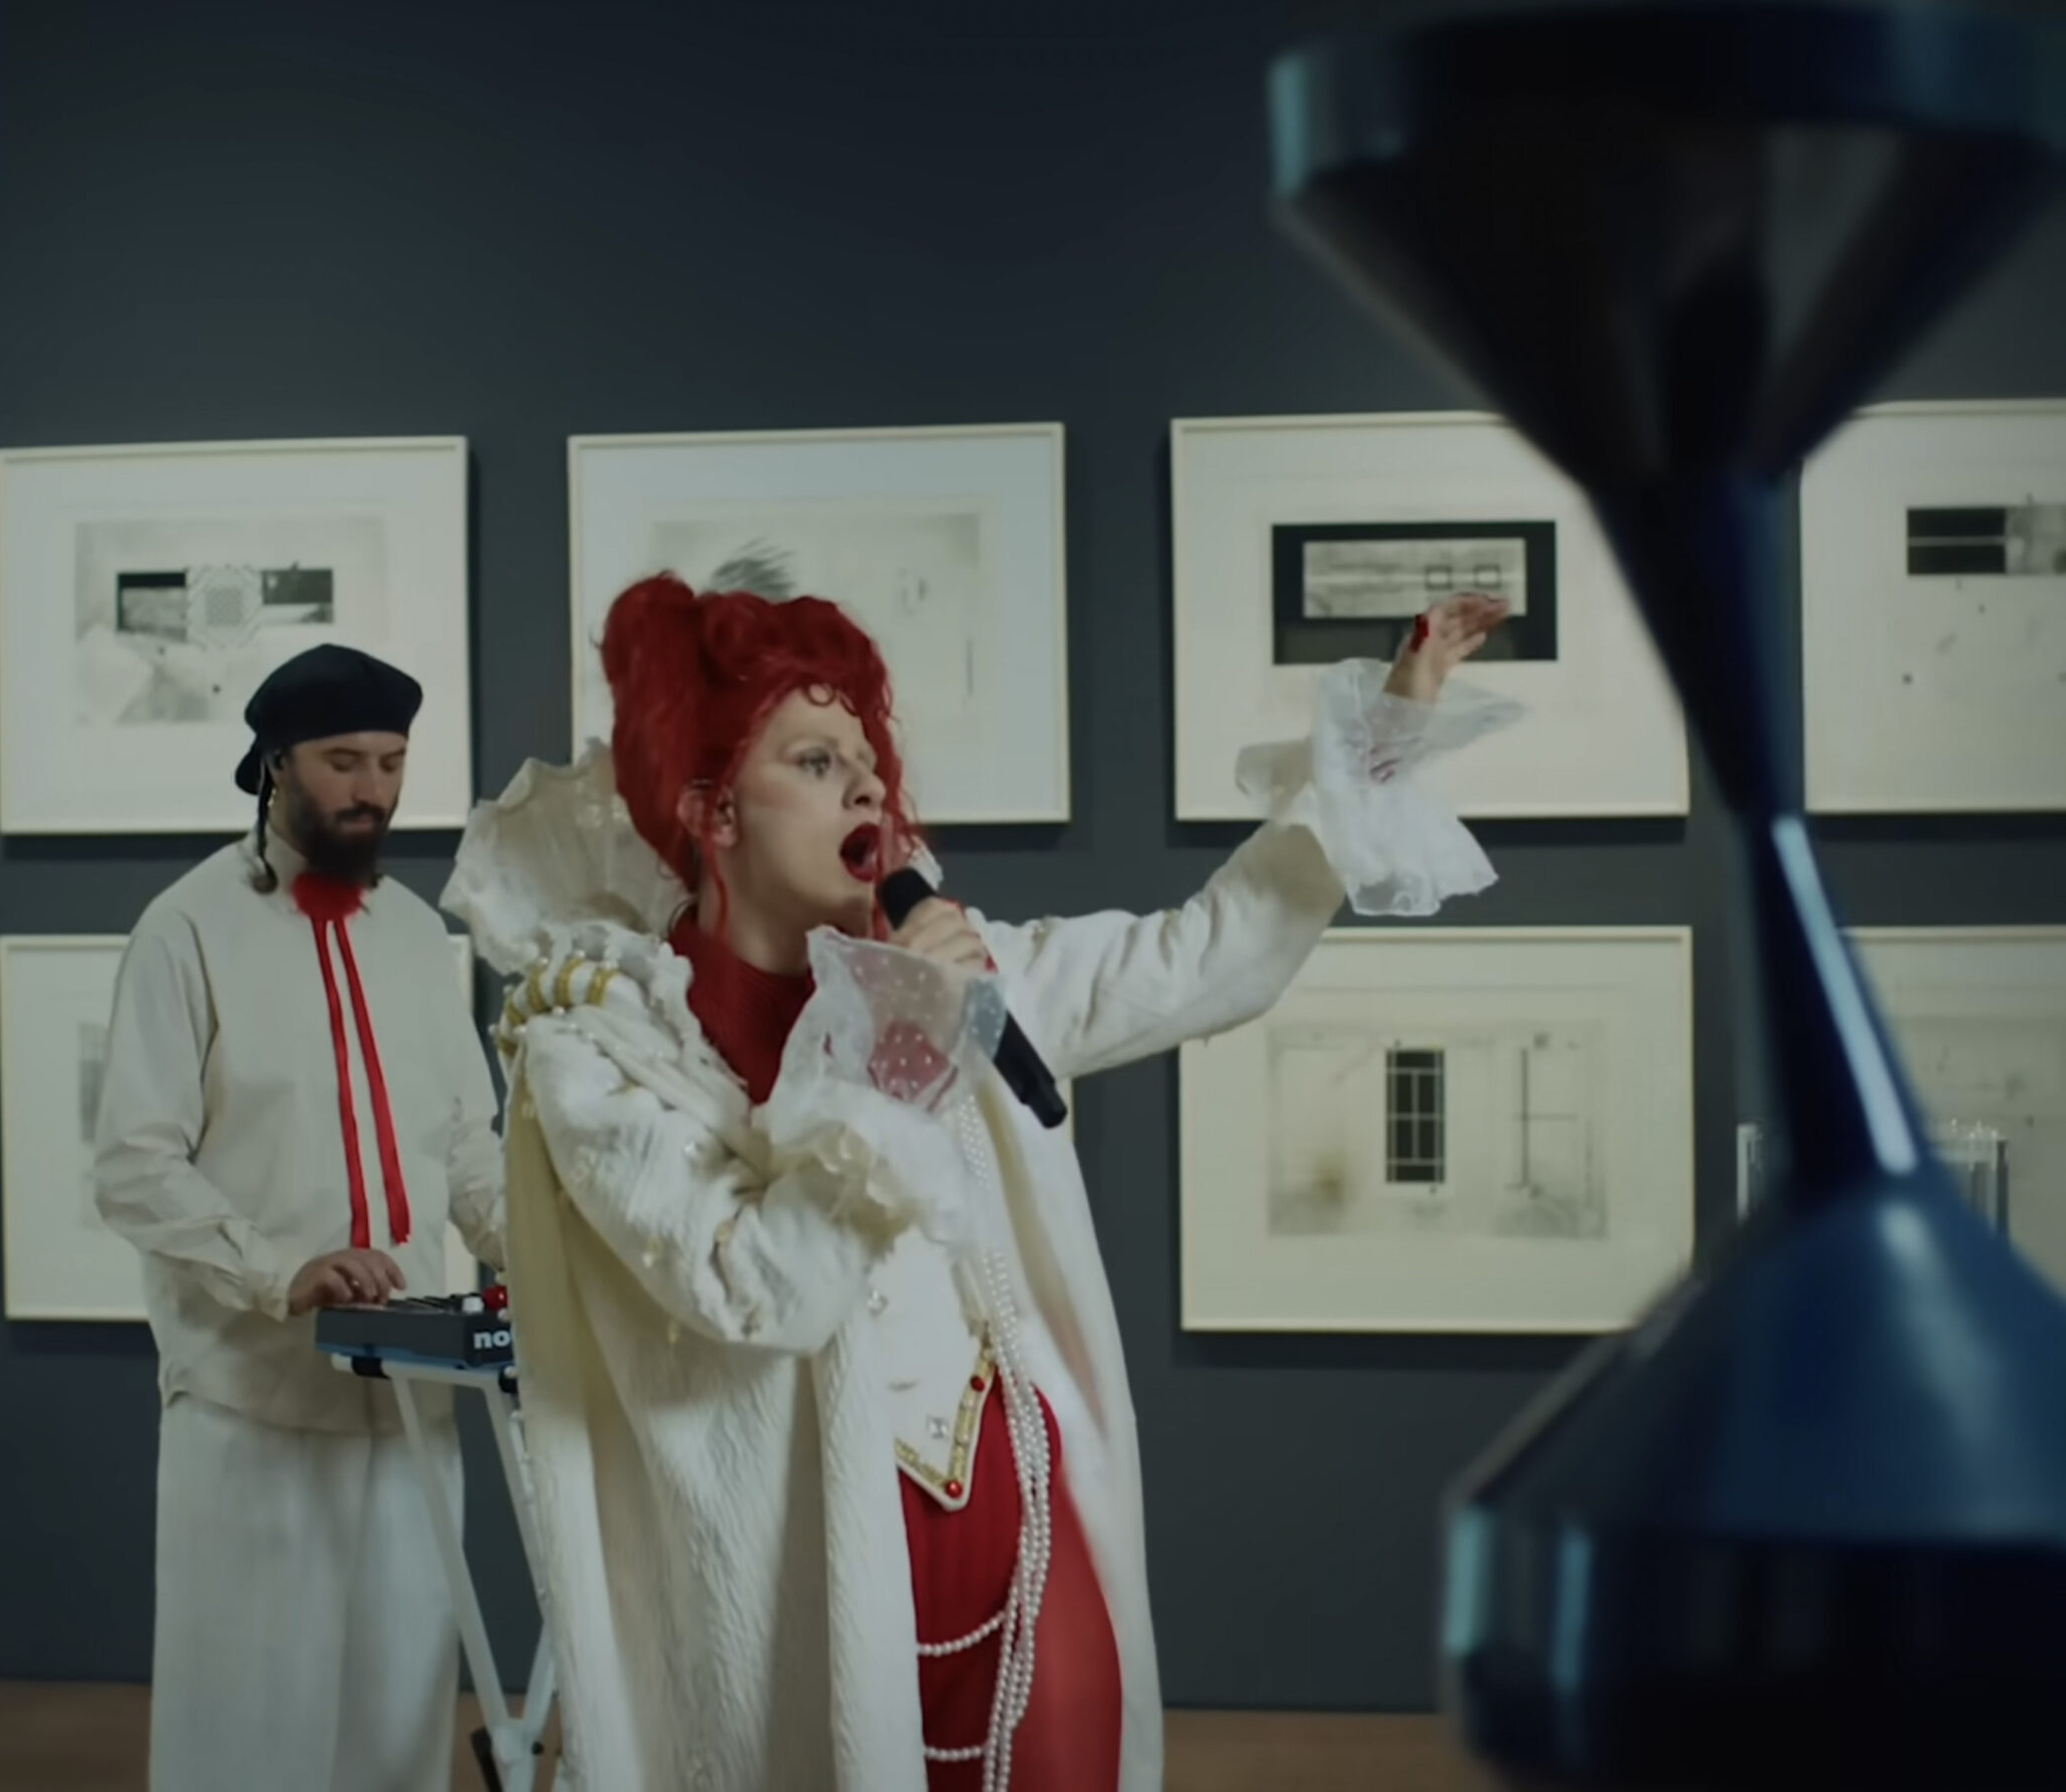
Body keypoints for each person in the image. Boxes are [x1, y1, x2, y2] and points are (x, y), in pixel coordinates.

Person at [438, 574, 1517, 1792]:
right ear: (709, 810)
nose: (867, 789)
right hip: (804, 1578)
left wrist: (1386, 730)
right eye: (815, 761)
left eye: (869, 762)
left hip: (1022, 1516)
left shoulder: (963, 973)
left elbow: (1205, 955)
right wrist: (897, 1050)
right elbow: (755, 1290)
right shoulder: (600, 1051)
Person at [93, 642, 507, 1792]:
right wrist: (281, 1269)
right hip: (252, 1411)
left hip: (416, 1414)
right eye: (343, 762)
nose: (372, 790)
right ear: (276, 763)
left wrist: (545, 1254)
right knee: (246, 1745)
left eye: (391, 763)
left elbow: (466, 1148)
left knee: (399, 1742)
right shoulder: (184, 930)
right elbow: (132, 1164)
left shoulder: (419, 937)